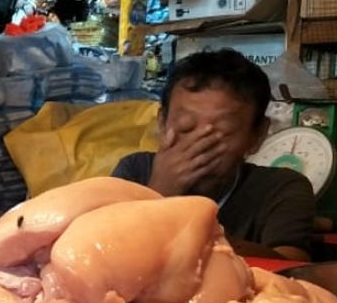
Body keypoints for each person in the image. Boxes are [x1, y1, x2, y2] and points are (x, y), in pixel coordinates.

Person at [111, 49, 315, 261]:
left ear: (257, 135)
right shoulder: (134, 171)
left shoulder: (281, 188)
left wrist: (194, 231)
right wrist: (160, 193)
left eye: (223, 132)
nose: (200, 145)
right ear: (162, 122)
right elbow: (107, 252)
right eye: (186, 127)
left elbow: (292, 267)